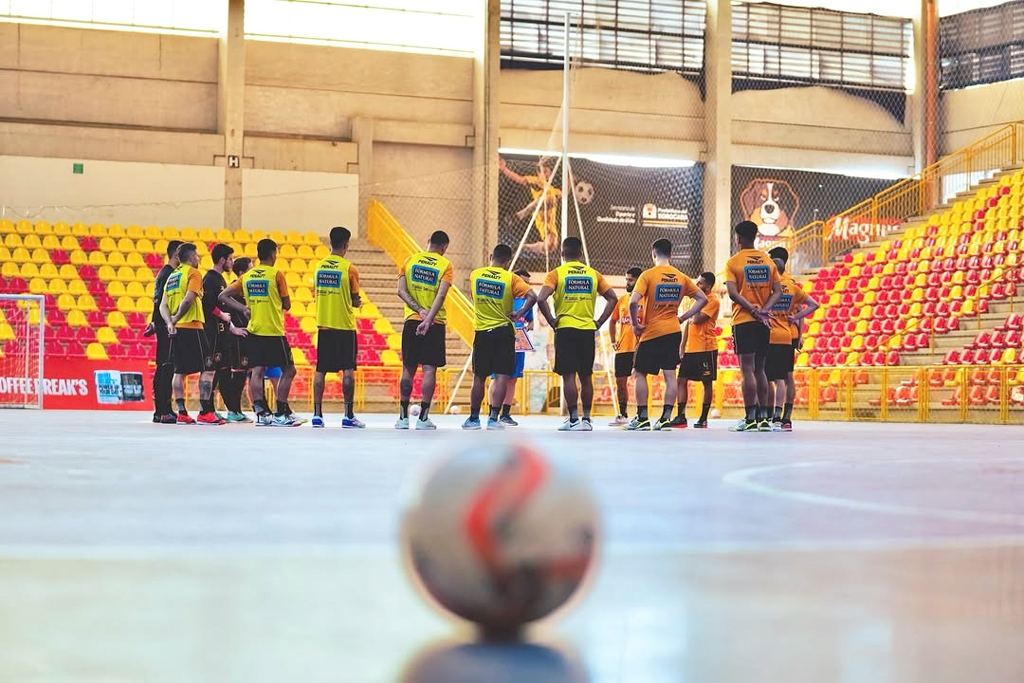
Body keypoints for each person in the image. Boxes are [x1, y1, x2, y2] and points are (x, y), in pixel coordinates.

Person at [536, 237, 618, 431]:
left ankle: (573, 419)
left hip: (565, 329)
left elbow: (541, 299)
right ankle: (587, 420)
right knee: (586, 376)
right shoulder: (593, 274)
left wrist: (552, 320)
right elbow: (613, 298)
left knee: (568, 376)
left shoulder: (556, 274)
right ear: (580, 254)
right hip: (587, 330)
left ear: (562, 254)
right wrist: (598, 322)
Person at [625, 239, 707, 431]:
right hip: (673, 331)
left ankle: (643, 417)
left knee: (639, 373)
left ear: (653, 254)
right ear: (670, 254)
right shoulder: (681, 277)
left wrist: (636, 326)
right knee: (670, 375)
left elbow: (632, 302)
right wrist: (683, 317)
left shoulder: (648, 275)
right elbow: (702, 299)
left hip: (652, 332)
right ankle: (665, 418)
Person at [219, 238, 301, 427]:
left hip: (254, 330)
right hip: (273, 330)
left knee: (258, 370)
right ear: (273, 253)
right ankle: (281, 412)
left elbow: (223, 296)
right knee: (289, 369)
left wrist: (243, 308)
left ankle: (262, 414)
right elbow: (287, 304)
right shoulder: (276, 274)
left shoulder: (248, 276)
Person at [464, 244, 537, 430]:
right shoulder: (510, 278)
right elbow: (532, 296)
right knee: (503, 375)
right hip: (504, 330)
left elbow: (474, 296)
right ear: (508, 261)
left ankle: (473, 418)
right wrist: (520, 311)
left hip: (482, 331)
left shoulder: (475, 274)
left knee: (479, 377)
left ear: (490, 256)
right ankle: (494, 418)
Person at [725, 221, 783, 433]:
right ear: (755, 236)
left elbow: (732, 293)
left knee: (747, 370)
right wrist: (764, 310)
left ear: (738, 238)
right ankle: (765, 419)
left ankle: (750, 417)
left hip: (744, 321)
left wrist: (753, 310)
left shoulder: (733, 262)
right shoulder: (768, 261)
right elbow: (778, 291)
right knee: (760, 370)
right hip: (763, 323)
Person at [159, 242, 224, 425]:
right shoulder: (193, 273)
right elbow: (189, 299)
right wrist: (178, 316)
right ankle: (205, 411)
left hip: (177, 330)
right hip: (193, 328)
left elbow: (162, 305)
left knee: (179, 371)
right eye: (197, 255)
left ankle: (182, 412)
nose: (199, 258)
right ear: (190, 257)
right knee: (208, 368)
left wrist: (170, 322)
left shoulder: (172, 276)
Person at [396, 230, 453, 430]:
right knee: (429, 369)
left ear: (428, 241)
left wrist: (419, 311)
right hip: (435, 323)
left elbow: (400, 291)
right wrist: (429, 318)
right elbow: (441, 296)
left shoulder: (409, 261)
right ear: (444, 248)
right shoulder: (445, 265)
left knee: (408, 369)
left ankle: (403, 418)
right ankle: (423, 419)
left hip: (412, 320)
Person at [312, 226, 364, 429]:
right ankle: (348, 415)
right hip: (344, 326)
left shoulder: (319, 267)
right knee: (348, 370)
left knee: (321, 370)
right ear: (346, 244)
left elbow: (316, 292)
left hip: (324, 325)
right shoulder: (349, 268)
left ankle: (317, 414)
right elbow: (354, 300)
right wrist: (357, 302)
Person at [766, 249, 819, 431]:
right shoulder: (792, 285)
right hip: (788, 335)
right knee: (784, 377)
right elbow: (803, 309)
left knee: (772, 377)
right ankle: (784, 417)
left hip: (774, 335)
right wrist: (797, 323)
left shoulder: (772, 286)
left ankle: (771, 415)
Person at [202, 243, 250, 423]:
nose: (231, 262)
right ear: (222, 260)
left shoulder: (221, 280)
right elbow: (207, 304)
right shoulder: (210, 279)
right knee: (210, 372)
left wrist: (232, 327)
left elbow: (224, 312)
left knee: (221, 372)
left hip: (222, 333)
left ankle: (215, 410)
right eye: (230, 259)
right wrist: (221, 314)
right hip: (212, 334)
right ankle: (205, 409)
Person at [671, 272, 720, 429]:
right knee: (681, 380)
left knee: (706, 383)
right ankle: (681, 416)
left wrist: (699, 302)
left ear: (708, 286)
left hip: (706, 347)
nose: (697, 286)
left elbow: (697, 319)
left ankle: (703, 418)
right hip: (691, 348)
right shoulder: (698, 301)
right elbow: (688, 324)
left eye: (700, 283)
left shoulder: (713, 301)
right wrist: (681, 345)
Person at [492, 268, 535, 426]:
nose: (526, 286)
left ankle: (505, 413)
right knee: (497, 377)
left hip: (519, 339)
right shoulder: (504, 294)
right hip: (503, 335)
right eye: (524, 282)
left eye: (528, 284)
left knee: (513, 378)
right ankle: (492, 412)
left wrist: (531, 323)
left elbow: (530, 319)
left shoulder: (527, 300)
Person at [146, 239, 181, 423]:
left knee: (163, 366)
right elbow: (161, 302)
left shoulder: (164, 273)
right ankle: (164, 409)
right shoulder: (169, 274)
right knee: (166, 367)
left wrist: (153, 321)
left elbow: (156, 300)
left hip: (161, 324)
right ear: (177, 254)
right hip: (166, 325)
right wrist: (166, 322)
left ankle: (160, 410)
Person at [498, 156, 561, 256]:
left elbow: (565, 193)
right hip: (541, 209)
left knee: (551, 246)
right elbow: (520, 179)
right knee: (551, 199)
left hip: (546, 222)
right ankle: (520, 215)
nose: (545, 174)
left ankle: (523, 246)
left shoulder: (553, 189)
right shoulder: (536, 181)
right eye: (542, 171)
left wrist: (571, 179)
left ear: (550, 174)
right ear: (538, 174)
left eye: (547, 171)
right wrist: (504, 169)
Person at [608, 267, 643, 426]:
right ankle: (622, 414)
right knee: (620, 382)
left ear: (638, 280)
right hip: (623, 348)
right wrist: (613, 339)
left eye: (630, 280)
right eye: (626, 279)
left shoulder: (646, 300)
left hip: (639, 348)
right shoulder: (622, 300)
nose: (627, 282)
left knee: (639, 381)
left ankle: (641, 414)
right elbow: (612, 321)